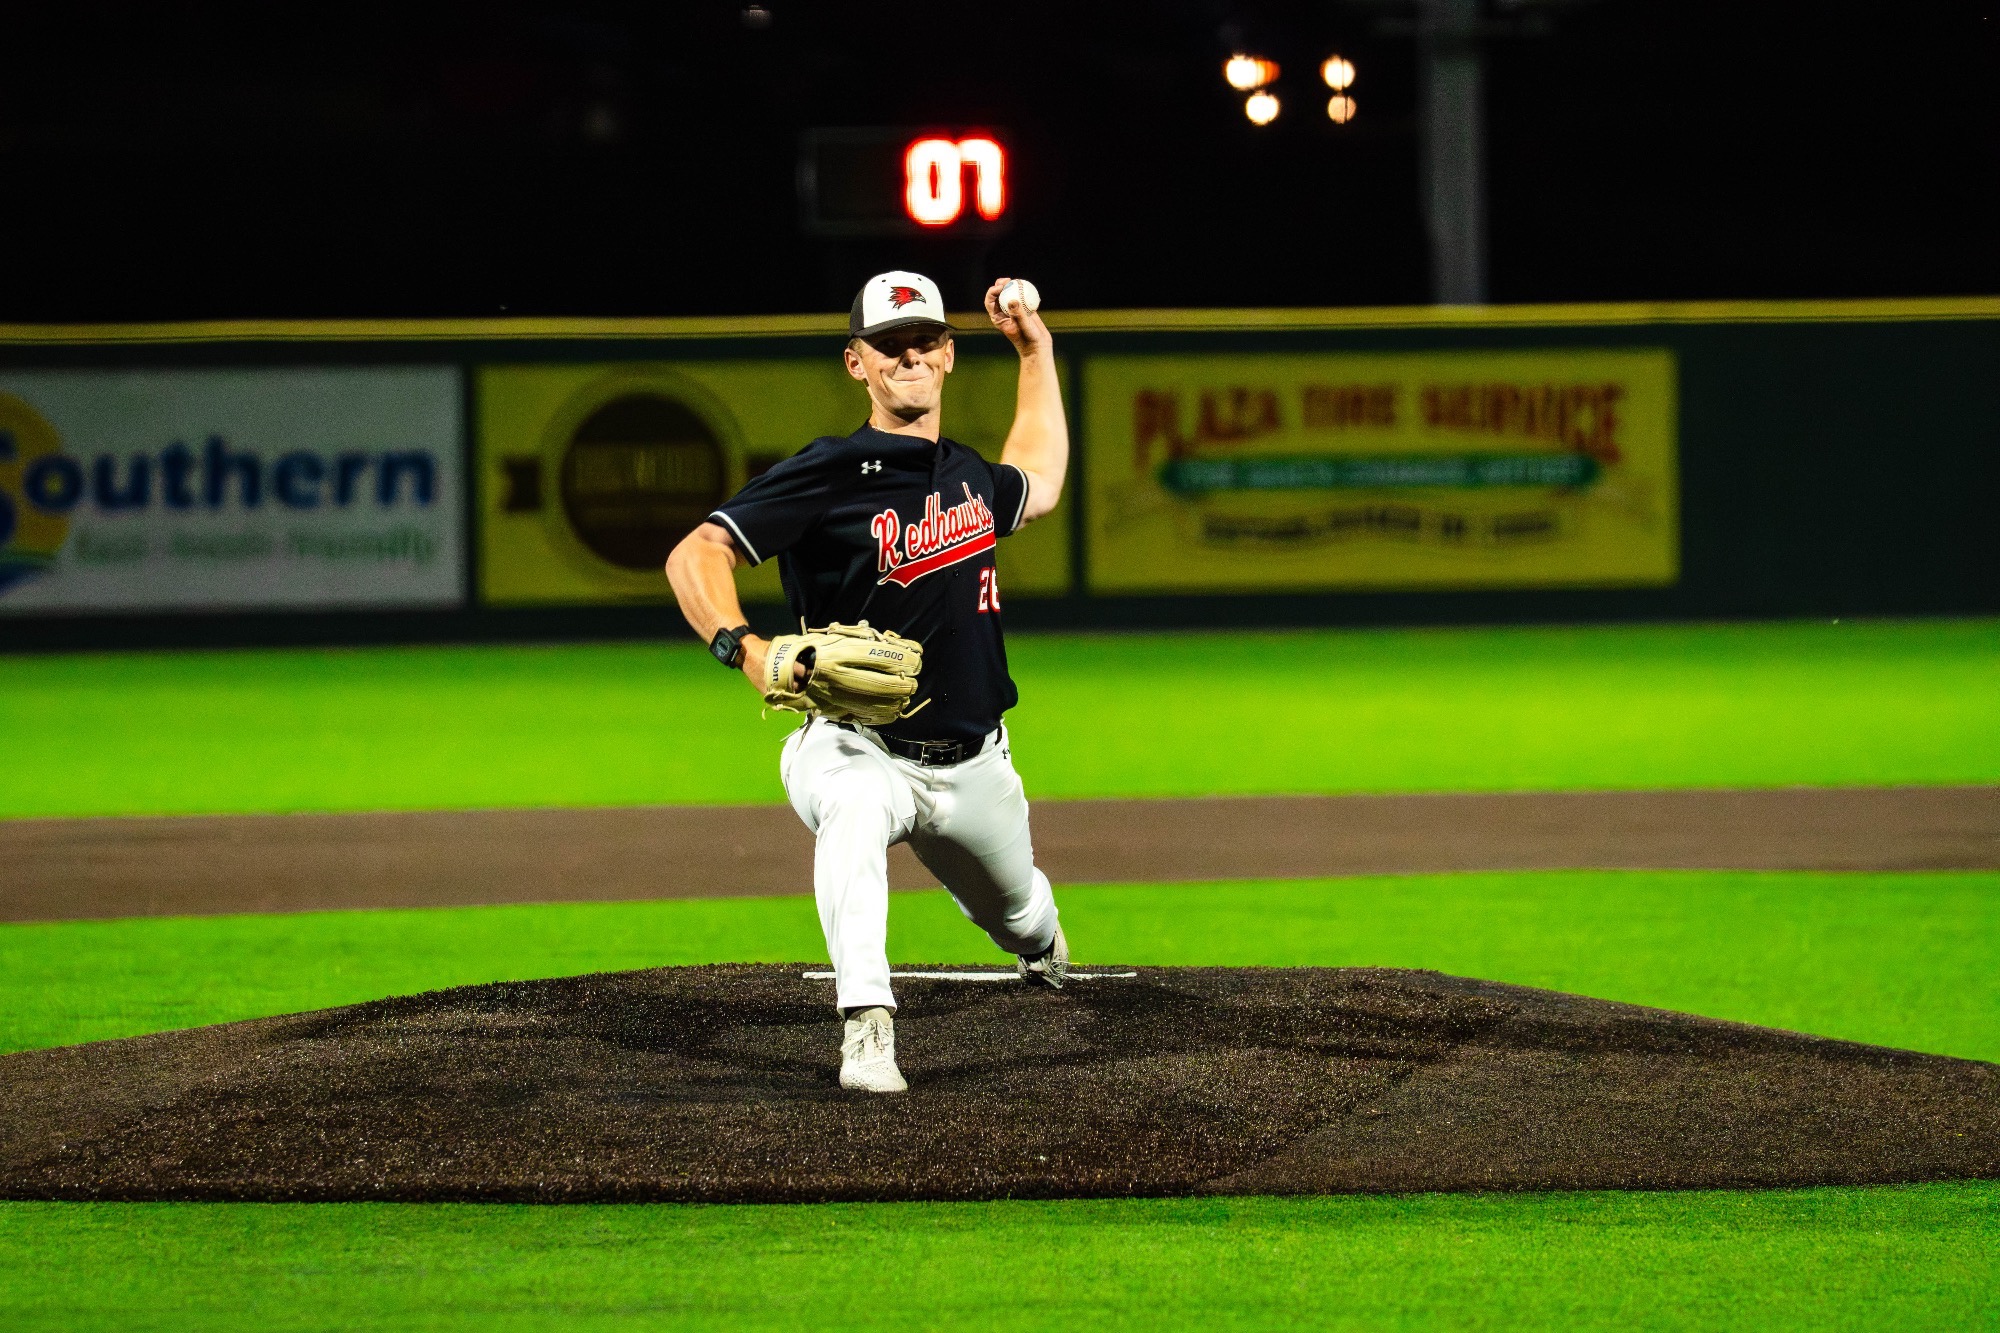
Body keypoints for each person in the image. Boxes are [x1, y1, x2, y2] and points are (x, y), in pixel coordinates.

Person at [664, 270, 1070, 1094]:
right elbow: (694, 554)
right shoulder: (828, 472)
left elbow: (1042, 477)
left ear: (949, 355)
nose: (908, 356)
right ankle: (867, 1025)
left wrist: (1037, 350)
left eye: (923, 341)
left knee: (1022, 914)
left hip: (974, 763)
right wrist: (746, 649)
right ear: (858, 363)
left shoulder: (971, 475)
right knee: (849, 807)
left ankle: (1040, 943)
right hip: (857, 744)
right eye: (888, 345)